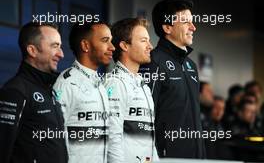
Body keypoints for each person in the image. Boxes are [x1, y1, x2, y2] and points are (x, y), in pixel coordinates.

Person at [140, 0, 206, 158]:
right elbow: (145, 118)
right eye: (186, 22)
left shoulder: (191, 65)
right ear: (167, 27)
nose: (193, 28)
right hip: (167, 157)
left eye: (192, 22)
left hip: (196, 156)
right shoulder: (153, 62)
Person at [0, 22, 67, 163]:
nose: (61, 54)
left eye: (60, 46)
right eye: (55, 46)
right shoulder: (15, 91)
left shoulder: (51, 89)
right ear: (32, 50)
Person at [53, 21, 115, 163]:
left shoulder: (100, 84)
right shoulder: (66, 83)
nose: (112, 47)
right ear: (85, 45)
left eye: (111, 41)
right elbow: (54, 140)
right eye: (105, 41)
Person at [104, 18, 159, 163]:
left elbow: (150, 140)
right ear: (124, 45)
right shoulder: (115, 83)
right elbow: (112, 137)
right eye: (143, 41)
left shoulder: (143, 86)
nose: (150, 46)